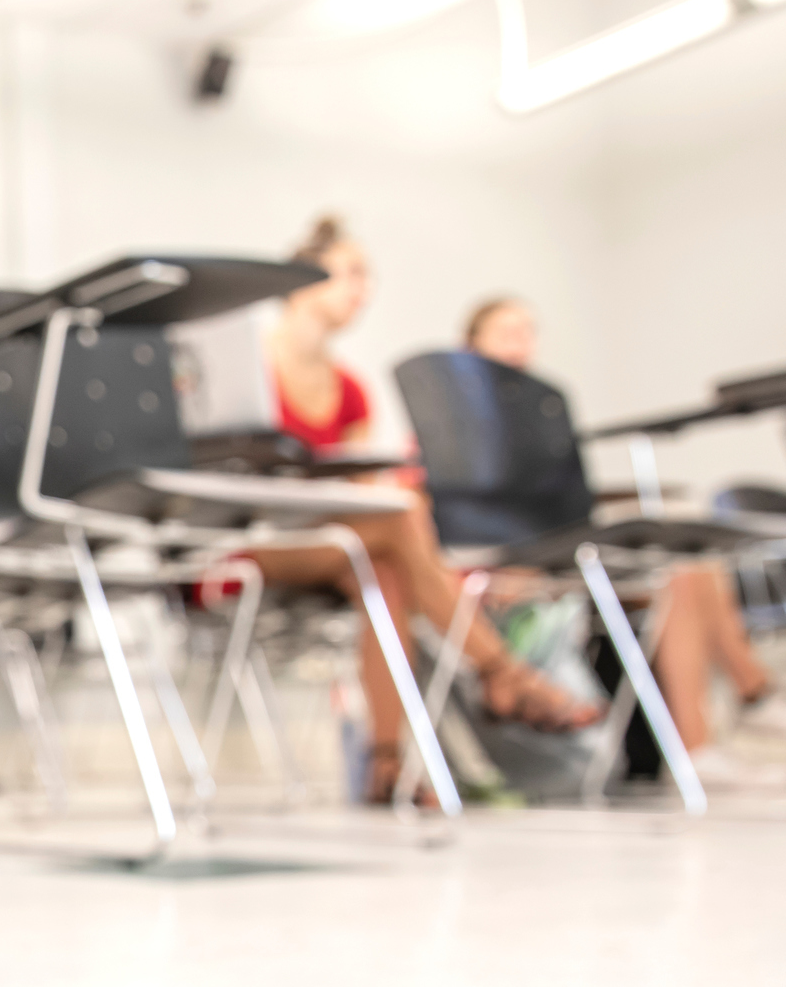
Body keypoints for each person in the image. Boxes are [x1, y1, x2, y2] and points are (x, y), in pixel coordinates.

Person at [252, 216, 598, 804]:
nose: (365, 288)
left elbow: (358, 487)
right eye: (353, 272)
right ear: (305, 278)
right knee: (399, 518)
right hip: (255, 541)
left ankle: (385, 765)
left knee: (384, 569)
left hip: (338, 546)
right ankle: (503, 672)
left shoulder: (352, 389)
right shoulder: (254, 367)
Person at [464, 295, 785, 785]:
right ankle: (753, 697)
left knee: (687, 569)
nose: (520, 344)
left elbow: (567, 507)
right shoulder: (453, 427)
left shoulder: (544, 421)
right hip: (501, 568)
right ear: (471, 346)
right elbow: (449, 518)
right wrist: (511, 564)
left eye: (528, 332)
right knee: (670, 566)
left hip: (556, 558)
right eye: (506, 333)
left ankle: (707, 742)